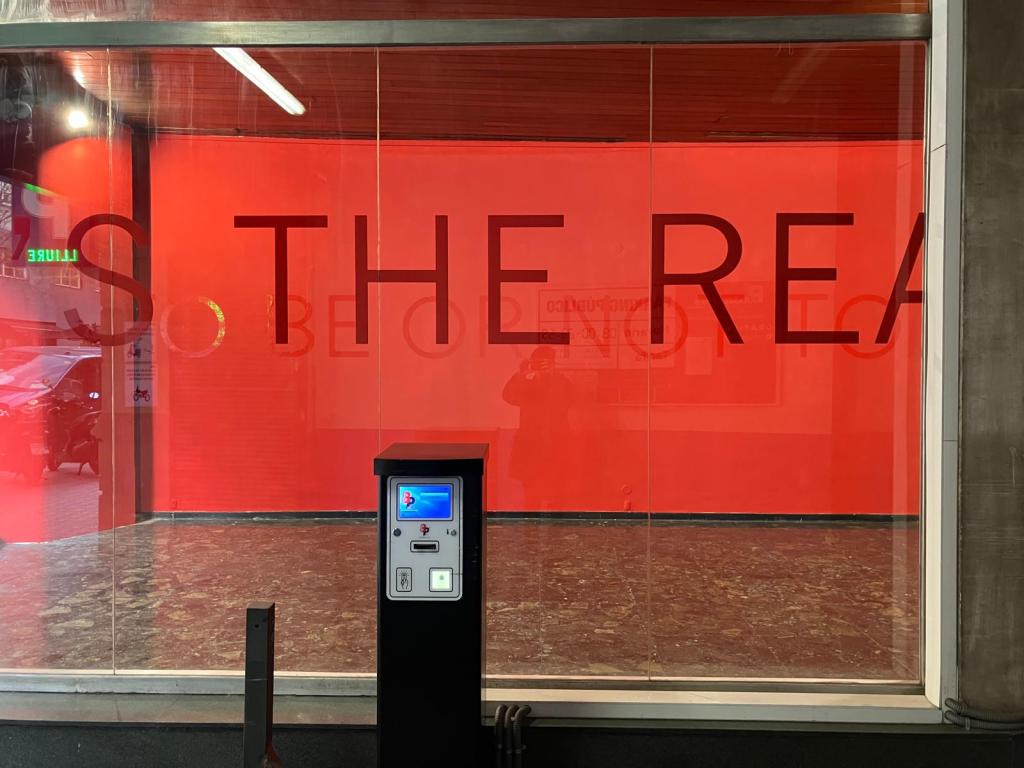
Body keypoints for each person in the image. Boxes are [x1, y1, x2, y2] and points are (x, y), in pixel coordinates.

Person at [501, 346, 574, 510]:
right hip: (531, 447)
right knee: (531, 498)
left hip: (555, 446)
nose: (541, 366)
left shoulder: (561, 382)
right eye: (538, 362)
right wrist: (520, 375)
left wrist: (553, 376)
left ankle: (554, 524)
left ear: (553, 363)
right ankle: (532, 524)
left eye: (545, 363)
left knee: (557, 497)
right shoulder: (527, 383)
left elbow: (569, 399)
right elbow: (508, 396)